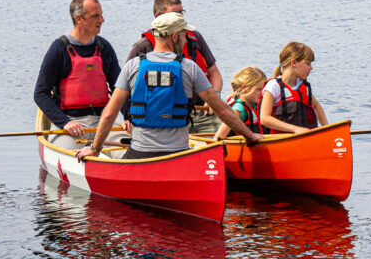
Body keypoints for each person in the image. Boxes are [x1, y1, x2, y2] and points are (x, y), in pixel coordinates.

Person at [77, 12, 261, 161]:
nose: (187, 40)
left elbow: (109, 114)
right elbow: (223, 111)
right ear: (174, 36)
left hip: (140, 153)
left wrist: (94, 148)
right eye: (184, 35)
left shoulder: (133, 66)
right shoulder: (189, 68)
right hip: (178, 155)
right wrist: (250, 136)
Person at [34, 0, 122, 150]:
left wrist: (129, 117)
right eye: (95, 16)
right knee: (74, 156)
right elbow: (41, 93)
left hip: (103, 124)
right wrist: (65, 122)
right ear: (79, 19)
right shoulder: (59, 49)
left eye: (101, 15)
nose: (102, 20)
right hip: (70, 126)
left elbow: (120, 89)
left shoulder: (104, 47)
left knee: (127, 150)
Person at [127, 0, 223, 134]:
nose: (181, 18)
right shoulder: (143, 47)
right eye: (175, 14)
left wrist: (214, 97)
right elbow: (125, 89)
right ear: (158, 16)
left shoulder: (194, 37)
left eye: (181, 13)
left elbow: (214, 73)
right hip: (167, 115)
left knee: (229, 127)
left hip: (203, 111)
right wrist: (128, 116)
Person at [259, 42, 329, 134]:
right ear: (294, 63)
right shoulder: (274, 86)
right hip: (283, 141)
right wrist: (295, 129)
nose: (311, 68)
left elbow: (317, 106)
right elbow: (264, 118)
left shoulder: (303, 87)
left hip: (306, 139)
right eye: (308, 64)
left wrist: (328, 130)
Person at [214, 66, 267, 140]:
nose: (262, 92)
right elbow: (218, 137)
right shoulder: (238, 109)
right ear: (244, 89)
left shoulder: (254, 105)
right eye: (258, 89)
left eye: (263, 89)